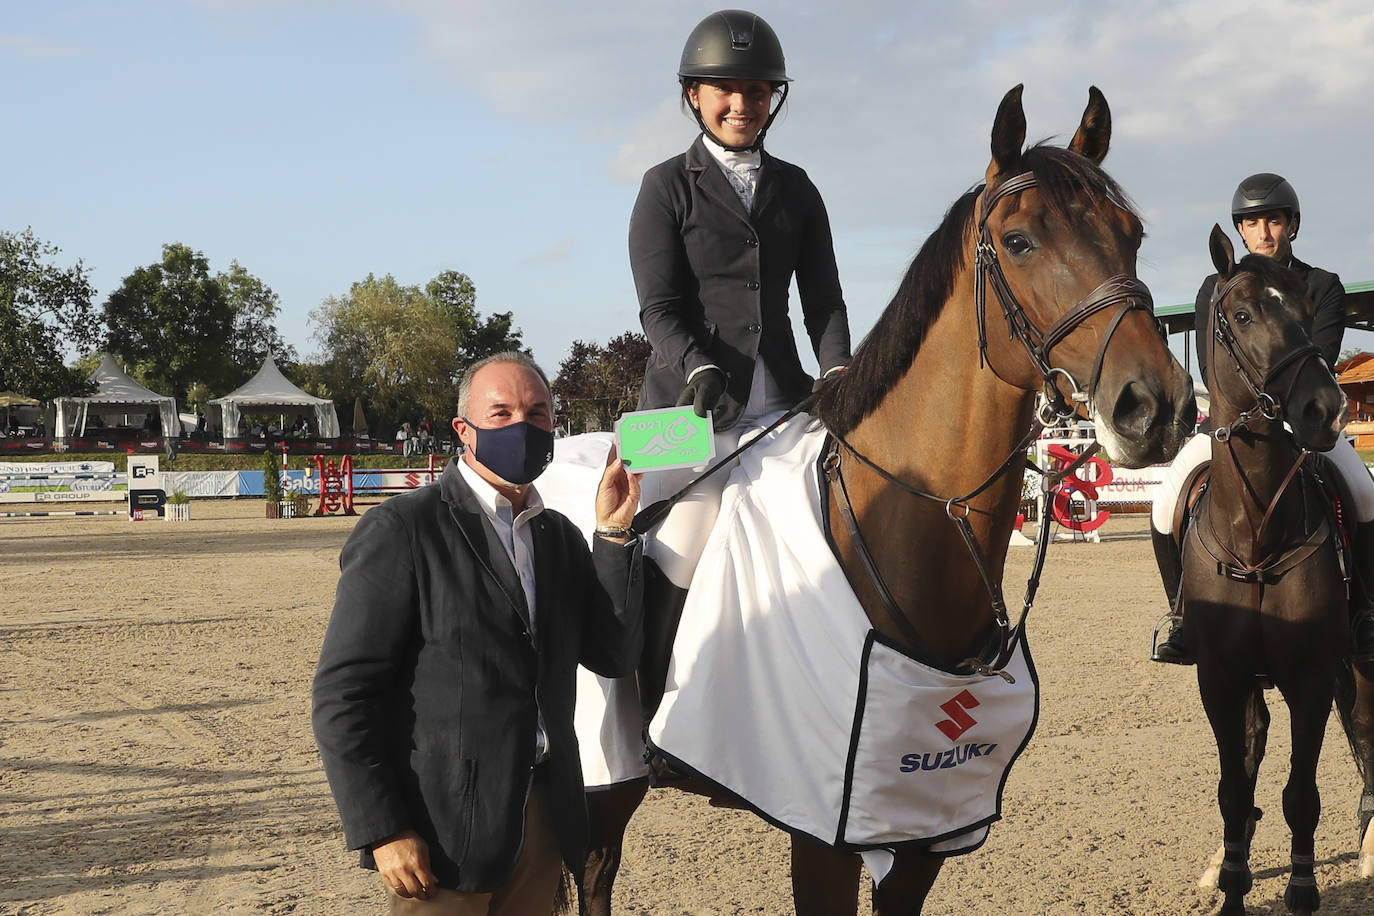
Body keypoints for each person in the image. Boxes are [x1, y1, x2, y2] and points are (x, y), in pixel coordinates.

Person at [312, 351, 644, 914]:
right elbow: (344, 695)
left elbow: (612, 653)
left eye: (538, 413)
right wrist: (382, 827)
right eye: (502, 413)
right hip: (441, 829)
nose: (523, 425)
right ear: (463, 430)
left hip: (542, 814)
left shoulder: (559, 537)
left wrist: (612, 535)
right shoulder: (403, 528)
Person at [628, 9, 851, 593]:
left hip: (781, 404)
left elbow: (823, 300)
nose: (741, 104)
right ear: (693, 95)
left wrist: (836, 369)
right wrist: (698, 363)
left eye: (756, 90)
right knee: (676, 555)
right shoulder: (664, 186)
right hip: (686, 407)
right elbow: (659, 308)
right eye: (725, 89)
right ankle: (649, 680)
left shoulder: (798, 188)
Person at [1152, 172, 1374, 663]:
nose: (1264, 233)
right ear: (1240, 231)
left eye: (1273, 220)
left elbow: (1324, 352)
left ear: (1292, 225)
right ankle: (1183, 617)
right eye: (1252, 223)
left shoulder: (1321, 284)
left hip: (1306, 420)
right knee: (1165, 503)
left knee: (1364, 492)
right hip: (1233, 426)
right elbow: (1212, 365)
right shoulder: (1216, 287)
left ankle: (1364, 612)